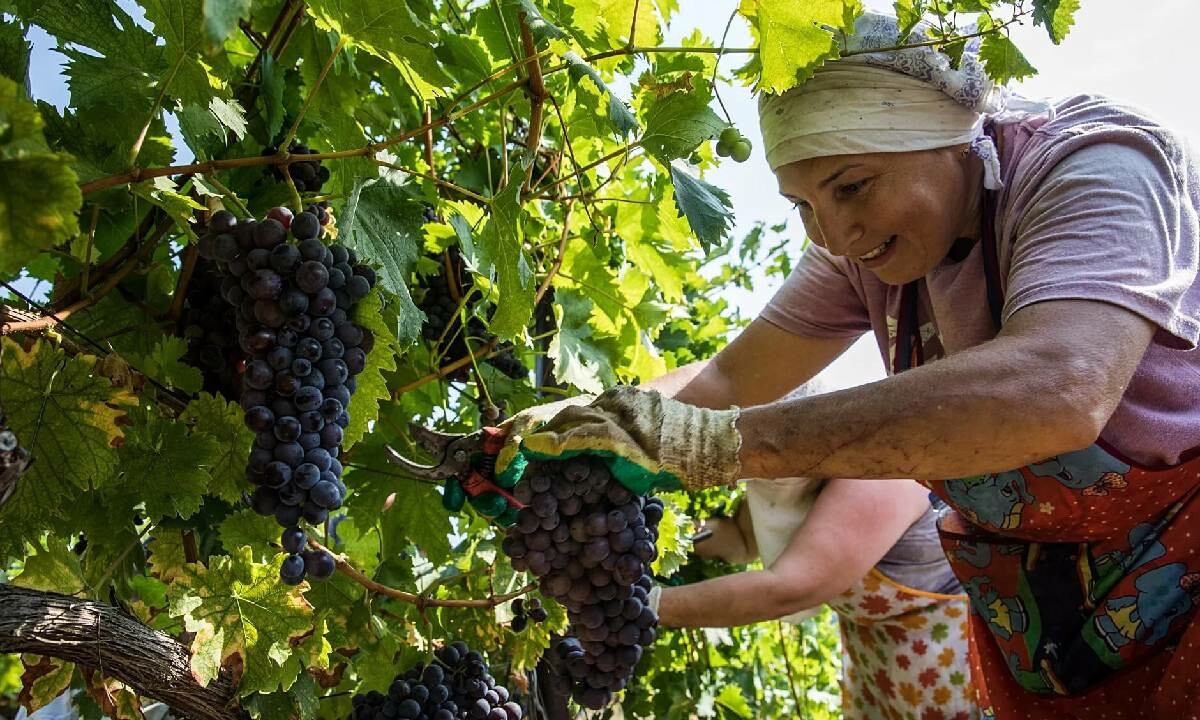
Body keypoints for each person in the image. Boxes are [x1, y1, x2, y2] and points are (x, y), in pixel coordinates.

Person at [499, 10, 1200, 720]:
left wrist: (723, 446)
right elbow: (727, 383)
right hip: (1062, 637)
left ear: (941, 134)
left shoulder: (1096, 164)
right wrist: (568, 425)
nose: (834, 232)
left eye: (852, 185)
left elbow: (1058, 388)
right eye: (802, 204)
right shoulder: (864, 254)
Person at [649, 380, 976, 720]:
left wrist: (644, 606)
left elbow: (786, 588)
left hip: (951, 679)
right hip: (884, 679)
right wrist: (659, 532)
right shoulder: (796, 480)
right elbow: (740, 541)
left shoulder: (885, 473)